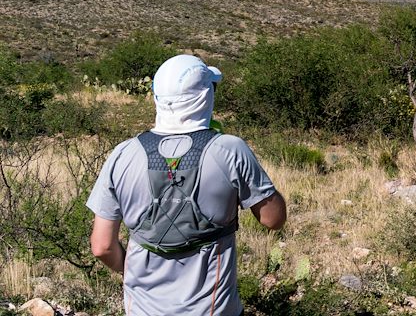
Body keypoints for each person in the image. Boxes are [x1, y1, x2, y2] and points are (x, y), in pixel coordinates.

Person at [87, 54, 286, 316]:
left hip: (142, 308)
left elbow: (102, 246)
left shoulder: (122, 154)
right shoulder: (230, 150)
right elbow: (273, 219)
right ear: (205, 97)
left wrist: (130, 269)